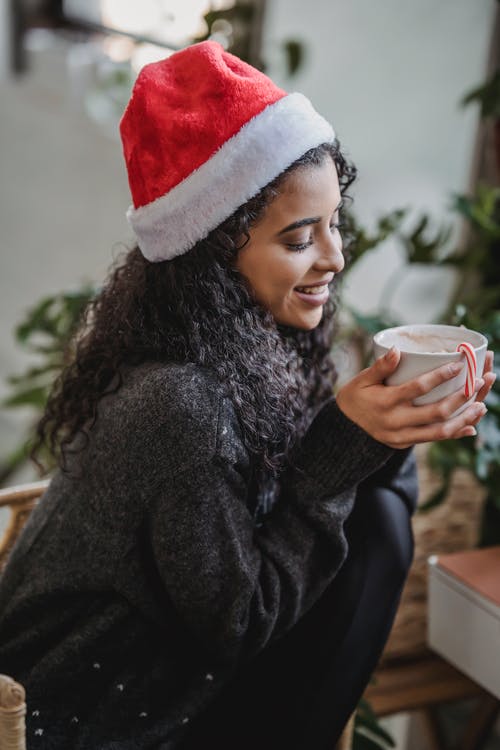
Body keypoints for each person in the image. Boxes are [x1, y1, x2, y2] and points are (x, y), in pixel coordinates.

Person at [0, 41, 494, 750]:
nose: (334, 257)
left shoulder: (249, 345)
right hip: (96, 719)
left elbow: (279, 532)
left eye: (334, 224)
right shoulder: (178, 403)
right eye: (299, 239)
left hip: (177, 670)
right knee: (378, 526)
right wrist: (347, 443)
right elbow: (238, 618)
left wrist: (384, 430)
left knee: (379, 515)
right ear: (213, 257)